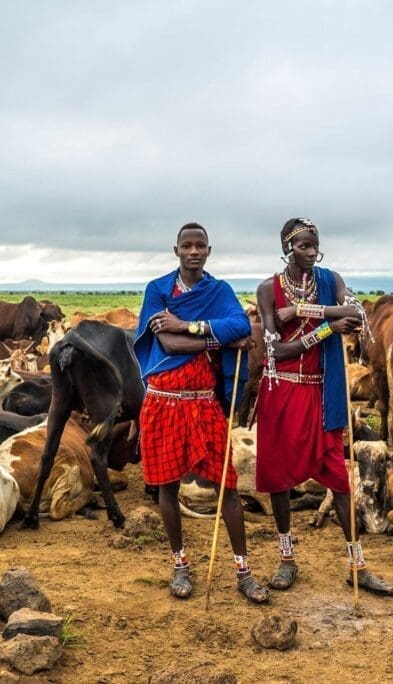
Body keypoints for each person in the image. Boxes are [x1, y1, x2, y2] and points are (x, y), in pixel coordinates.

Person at [254, 217, 393, 596]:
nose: (312, 252)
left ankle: (358, 564)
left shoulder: (331, 280)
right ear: (287, 248)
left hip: (322, 394)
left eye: (315, 245)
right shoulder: (267, 289)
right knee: (280, 480)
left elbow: (357, 315)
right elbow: (275, 351)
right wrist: (326, 327)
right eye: (303, 246)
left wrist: (304, 313)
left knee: (338, 476)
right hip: (282, 393)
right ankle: (286, 559)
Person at [134, 222, 269, 603]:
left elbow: (241, 323)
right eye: (186, 245)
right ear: (175, 250)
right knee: (167, 485)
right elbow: (168, 344)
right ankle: (180, 565)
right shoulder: (158, 290)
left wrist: (188, 325)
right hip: (163, 401)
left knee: (226, 483)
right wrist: (215, 338)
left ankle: (243, 570)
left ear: (209, 250)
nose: (193, 251)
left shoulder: (219, 290)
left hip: (205, 401)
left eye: (200, 246)